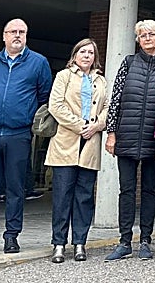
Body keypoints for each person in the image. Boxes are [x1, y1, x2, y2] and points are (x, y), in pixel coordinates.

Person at [0, 18, 52, 255]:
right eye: (13, 32)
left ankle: (11, 236)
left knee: (16, 188)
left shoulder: (38, 63)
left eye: (22, 32)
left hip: (19, 134)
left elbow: (43, 97)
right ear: (4, 36)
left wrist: (23, 116)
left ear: (26, 36)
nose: (17, 35)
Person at [104, 19, 155, 261]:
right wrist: (111, 133)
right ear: (137, 39)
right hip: (126, 135)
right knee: (127, 190)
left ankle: (145, 240)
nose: (147, 38)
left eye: (151, 34)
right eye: (142, 35)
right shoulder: (128, 63)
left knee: (150, 190)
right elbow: (115, 100)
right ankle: (124, 241)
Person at [46, 37, 108, 262]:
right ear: (74, 55)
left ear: (95, 58)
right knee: (62, 196)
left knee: (84, 197)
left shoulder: (101, 81)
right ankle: (59, 244)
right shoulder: (63, 76)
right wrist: (79, 125)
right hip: (66, 142)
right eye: (82, 51)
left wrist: (97, 125)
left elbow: (109, 107)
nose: (86, 56)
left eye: (91, 53)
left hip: (90, 144)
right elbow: (56, 105)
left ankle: (80, 242)